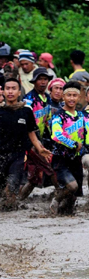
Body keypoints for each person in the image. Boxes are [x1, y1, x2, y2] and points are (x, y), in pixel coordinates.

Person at [0, 79, 51, 209]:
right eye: (8, 88)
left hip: (19, 155)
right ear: (4, 92)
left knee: (12, 183)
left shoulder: (26, 110)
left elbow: (31, 134)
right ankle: (9, 205)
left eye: (13, 88)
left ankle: (10, 208)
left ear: (19, 92)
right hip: (1, 154)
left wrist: (40, 149)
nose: (10, 91)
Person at [18, 67, 58, 201]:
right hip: (29, 141)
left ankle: (17, 201)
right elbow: (24, 122)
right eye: (40, 79)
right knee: (50, 169)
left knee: (34, 178)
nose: (43, 82)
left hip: (40, 140)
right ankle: (61, 196)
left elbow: (48, 122)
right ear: (34, 81)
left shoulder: (46, 98)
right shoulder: (28, 99)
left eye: (45, 79)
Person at [49, 81, 88, 215]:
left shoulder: (82, 116)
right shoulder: (58, 116)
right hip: (61, 157)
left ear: (79, 97)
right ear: (63, 97)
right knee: (72, 186)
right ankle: (57, 197)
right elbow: (56, 135)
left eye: (75, 95)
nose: (72, 98)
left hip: (76, 159)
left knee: (74, 196)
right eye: (69, 95)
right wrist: (73, 144)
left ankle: (64, 213)